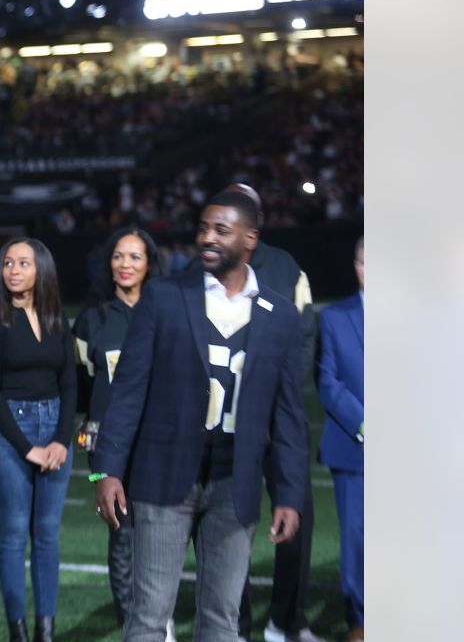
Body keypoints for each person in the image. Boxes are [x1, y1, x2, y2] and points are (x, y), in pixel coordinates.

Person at [92, 190, 311, 642]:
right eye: (204, 228)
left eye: (221, 230)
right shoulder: (165, 296)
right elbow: (128, 388)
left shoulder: (280, 314)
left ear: (250, 238)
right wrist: (107, 469)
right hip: (163, 475)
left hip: (237, 481)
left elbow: (287, 413)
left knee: (222, 620)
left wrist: (289, 493)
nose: (207, 238)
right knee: (149, 616)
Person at [222, 184, 321, 642]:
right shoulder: (205, 271)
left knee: (297, 514)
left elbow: (304, 338)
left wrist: (274, 401)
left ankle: (287, 619)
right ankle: (235, 624)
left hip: (279, 420)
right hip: (226, 424)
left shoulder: (285, 266)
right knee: (228, 523)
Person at [0, 238, 78, 642]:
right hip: (11, 434)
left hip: (54, 428)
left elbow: (70, 384)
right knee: (15, 535)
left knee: (48, 535)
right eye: (7, 263)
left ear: (42, 271)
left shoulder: (56, 317)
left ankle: (45, 631)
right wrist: (27, 448)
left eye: (23, 263)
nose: (13, 270)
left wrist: (61, 441)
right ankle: (17, 630)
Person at [72, 227, 171, 640]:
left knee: (163, 532)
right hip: (106, 446)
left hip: (159, 440)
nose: (125, 264)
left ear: (149, 263)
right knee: (121, 533)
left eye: (134, 257)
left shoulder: (167, 310)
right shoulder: (91, 319)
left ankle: (157, 614)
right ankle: (134, 621)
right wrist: (87, 437)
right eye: (118, 256)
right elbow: (81, 385)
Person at [316, 237, 364, 642]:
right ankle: (361, 621)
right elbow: (327, 382)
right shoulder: (334, 317)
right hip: (355, 447)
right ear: (358, 266)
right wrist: (365, 424)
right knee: (357, 540)